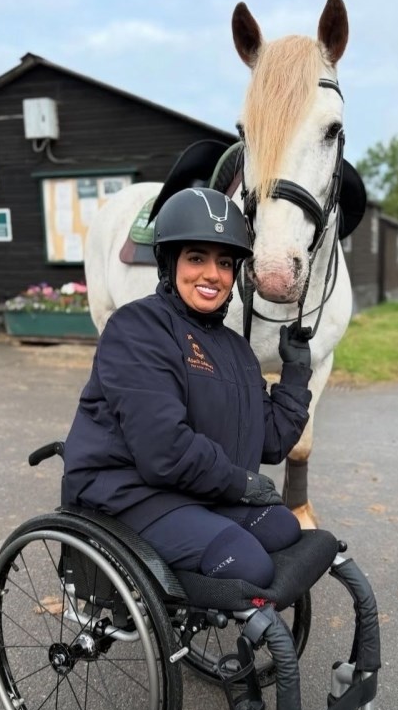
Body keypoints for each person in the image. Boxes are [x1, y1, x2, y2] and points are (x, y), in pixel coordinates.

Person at [62, 187, 313, 590]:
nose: (212, 274)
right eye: (197, 258)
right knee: (250, 563)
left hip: (191, 489)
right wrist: (240, 484)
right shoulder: (136, 329)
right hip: (128, 493)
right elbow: (164, 450)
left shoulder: (234, 348)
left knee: (282, 527)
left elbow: (268, 442)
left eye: (225, 263)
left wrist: (297, 372)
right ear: (170, 262)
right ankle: (176, 613)